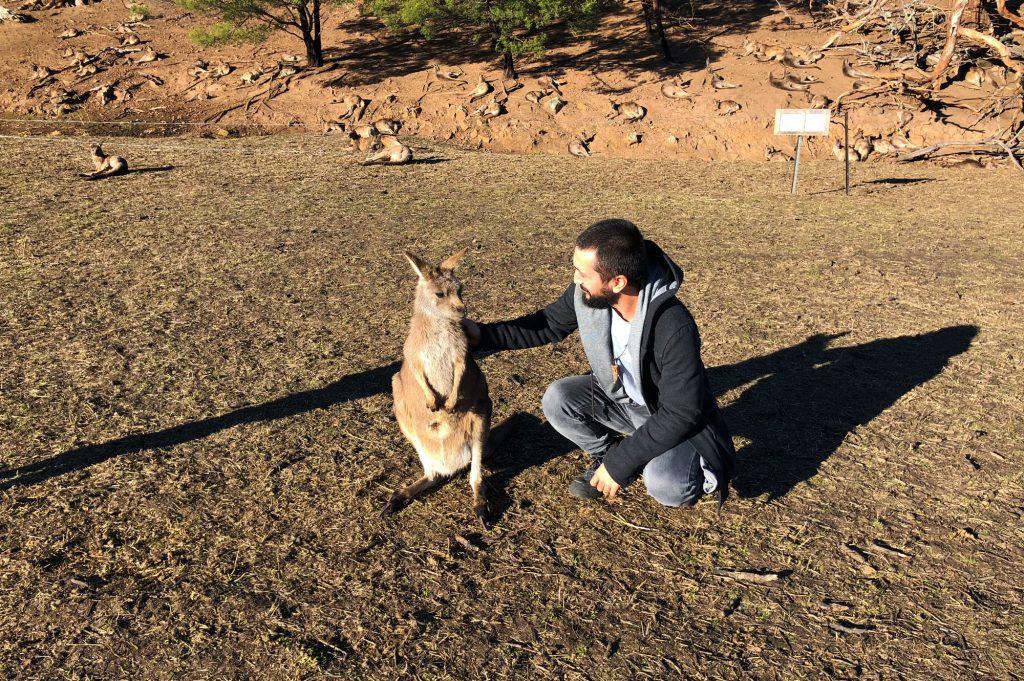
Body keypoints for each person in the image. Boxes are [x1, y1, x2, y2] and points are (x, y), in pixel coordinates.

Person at [463, 219, 735, 507]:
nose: (576, 279)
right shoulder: (588, 295)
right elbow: (549, 324)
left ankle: (651, 460)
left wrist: (622, 464)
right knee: (559, 398)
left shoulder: (673, 325)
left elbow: (682, 412)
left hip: (665, 414)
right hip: (624, 401)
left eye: (582, 272)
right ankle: (609, 452)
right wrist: (482, 334)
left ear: (617, 282)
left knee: (668, 486)